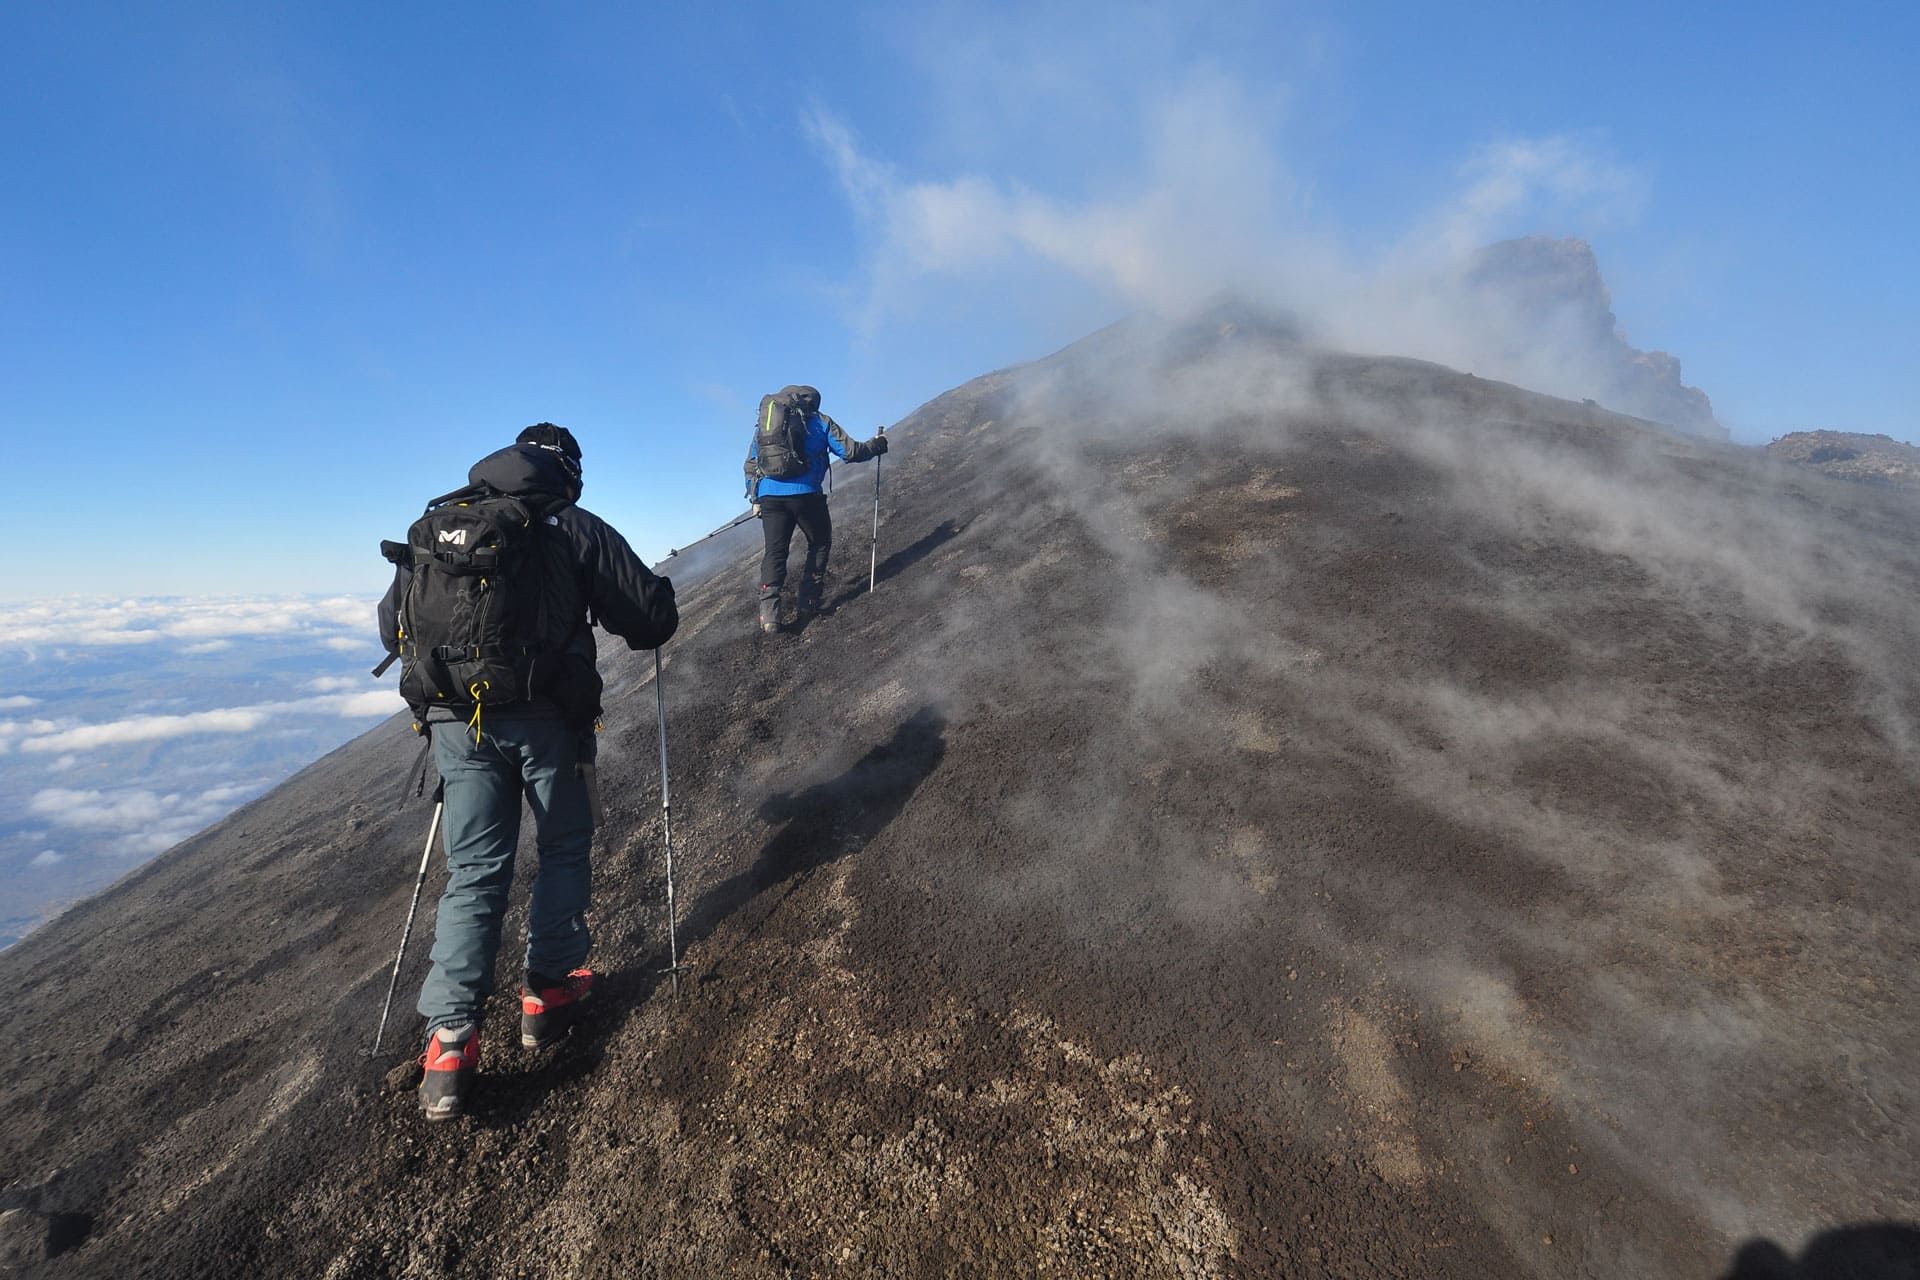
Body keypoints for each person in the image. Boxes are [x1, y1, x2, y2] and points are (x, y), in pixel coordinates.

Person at [378, 423, 678, 1121]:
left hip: (458, 724)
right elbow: (648, 619)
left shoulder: (439, 525)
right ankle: (548, 993)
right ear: (566, 468)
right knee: (565, 846)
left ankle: (450, 1044)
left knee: (477, 871)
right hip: (548, 720)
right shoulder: (572, 525)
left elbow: (394, 626)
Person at [743, 385, 887, 632]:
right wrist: (876, 446)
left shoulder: (767, 426)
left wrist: (755, 498)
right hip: (806, 494)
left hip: (769, 497)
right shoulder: (819, 421)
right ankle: (808, 604)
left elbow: (750, 464)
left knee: (775, 553)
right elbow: (850, 452)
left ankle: (769, 617)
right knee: (819, 543)